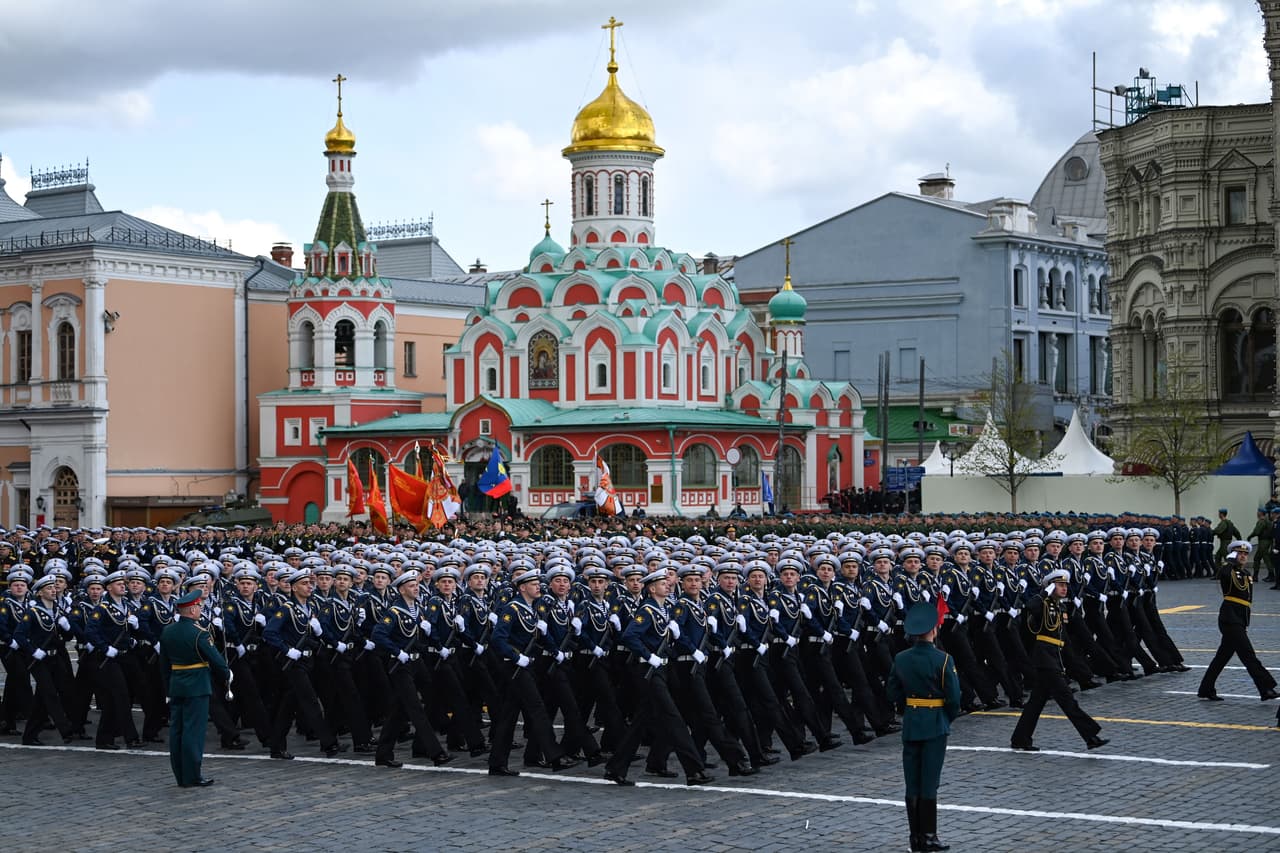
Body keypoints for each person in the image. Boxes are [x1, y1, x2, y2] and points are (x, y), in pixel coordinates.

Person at [887, 602, 960, 853]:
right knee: (929, 782)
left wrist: (908, 709)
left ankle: (915, 838)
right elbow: (954, 699)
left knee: (912, 782)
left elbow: (892, 692)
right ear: (933, 631)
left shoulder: (901, 658)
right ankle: (928, 836)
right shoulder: (943, 659)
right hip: (935, 724)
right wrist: (944, 718)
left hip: (912, 723)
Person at [1010, 569, 1108, 752]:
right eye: (1060, 585)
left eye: (1065, 585)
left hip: (1054, 656)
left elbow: (1064, 639)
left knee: (1036, 703)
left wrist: (1074, 665)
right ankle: (1090, 736)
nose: (1064, 589)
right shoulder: (1043, 603)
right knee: (1067, 699)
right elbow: (1029, 607)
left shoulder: (1060, 607)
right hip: (1044, 658)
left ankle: (1020, 738)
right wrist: (1044, 593)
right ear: (1051, 587)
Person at [158, 587, 229, 788]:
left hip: (176, 684)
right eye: (198, 606)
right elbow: (216, 660)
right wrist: (227, 674)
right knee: (193, 732)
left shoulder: (168, 631)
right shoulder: (200, 633)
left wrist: (167, 688)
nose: (200, 609)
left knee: (177, 731)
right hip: (197, 686)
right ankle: (191, 775)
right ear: (192, 610)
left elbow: (164, 664)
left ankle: (180, 774)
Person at [1197, 541, 1279, 701]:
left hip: (1240, 618)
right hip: (1229, 618)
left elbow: (1247, 599)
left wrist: (1245, 621)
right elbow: (1223, 573)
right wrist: (1230, 561)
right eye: (1239, 553)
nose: (1243, 556)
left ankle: (1206, 688)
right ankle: (1266, 688)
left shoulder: (1246, 573)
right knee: (1248, 654)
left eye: (1245, 554)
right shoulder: (1228, 570)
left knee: (1222, 657)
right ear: (1233, 555)